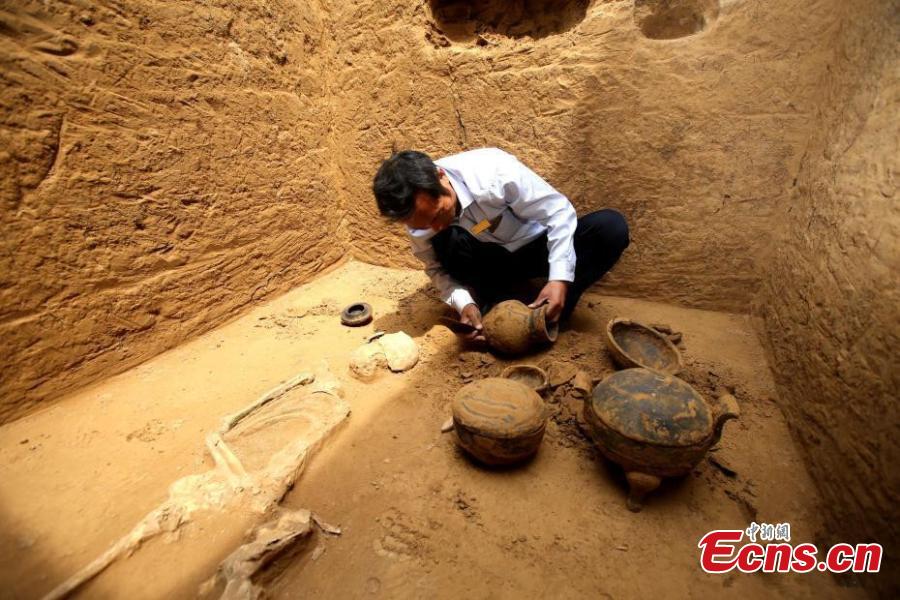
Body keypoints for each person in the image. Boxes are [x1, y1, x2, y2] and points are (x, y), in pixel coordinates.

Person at [372, 147, 629, 342]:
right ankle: (492, 302)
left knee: (610, 228)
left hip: (538, 246)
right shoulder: (417, 216)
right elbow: (435, 268)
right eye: (424, 224)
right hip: (491, 262)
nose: (434, 226)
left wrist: (559, 279)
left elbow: (558, 212)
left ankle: (558, 304)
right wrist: (464, 303)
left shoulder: (492, 171)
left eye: (439, 214)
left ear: (440, 176)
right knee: (446, 243)